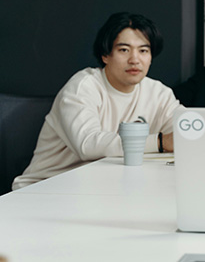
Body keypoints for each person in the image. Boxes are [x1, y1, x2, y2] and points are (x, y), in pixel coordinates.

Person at [13, 12, 181, 190]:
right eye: (124, 50)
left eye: (143, 51)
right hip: (44, 190)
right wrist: (161, 142)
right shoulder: (83, 87)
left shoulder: (158, 92)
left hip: (101, 189)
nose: (134, 59)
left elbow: (185, 130)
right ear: (105, 55)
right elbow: (88, 145)